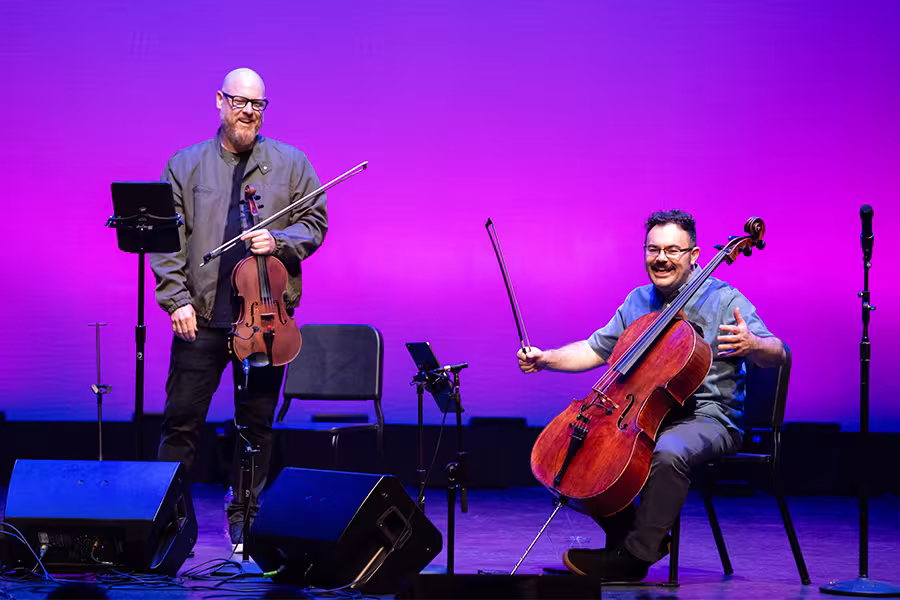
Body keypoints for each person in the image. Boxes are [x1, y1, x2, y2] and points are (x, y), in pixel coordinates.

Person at [517, 209, 785, 581]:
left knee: (669, 450)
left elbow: (777, 353)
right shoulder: (638, 301)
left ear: (695, 255)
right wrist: (547, 359)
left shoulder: (724, 298)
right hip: (647, 415)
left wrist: (753, 343)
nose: (661, 258)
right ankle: (628, 538)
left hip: (709, 418)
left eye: (674, 250)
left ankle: (635, 558)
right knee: (591, 447)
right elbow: (595, 350)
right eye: (653, 249)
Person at [149, 67, 328, 547]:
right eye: (239, 101)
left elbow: (315, 222)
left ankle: (244, 523)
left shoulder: (291, 164)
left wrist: (282, 239)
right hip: (201, 318)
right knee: (181, 423)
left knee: (256, 428)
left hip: (266, 321)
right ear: (220, 101)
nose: (248, 110)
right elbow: (168, 240)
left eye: (258, 104)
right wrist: (175, 300)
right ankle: (167, 522)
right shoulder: (184, 165)